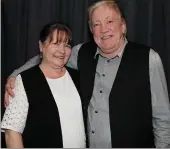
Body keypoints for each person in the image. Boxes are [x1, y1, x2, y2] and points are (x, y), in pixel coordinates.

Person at [4, 0, 170, 148]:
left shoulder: (149, 58)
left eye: (110, 21)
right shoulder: (80, 53)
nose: (104, 29)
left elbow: (163, 119)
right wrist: (15, 76)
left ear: (123, 25)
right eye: (96, 24)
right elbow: (46, 58)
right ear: (91, 30)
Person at [1, 21, 86, 148]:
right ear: (41, 46)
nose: (62, 50)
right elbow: (11, 132)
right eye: (56, 43)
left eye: (67, 45)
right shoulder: (23, 80)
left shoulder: (77, 76)